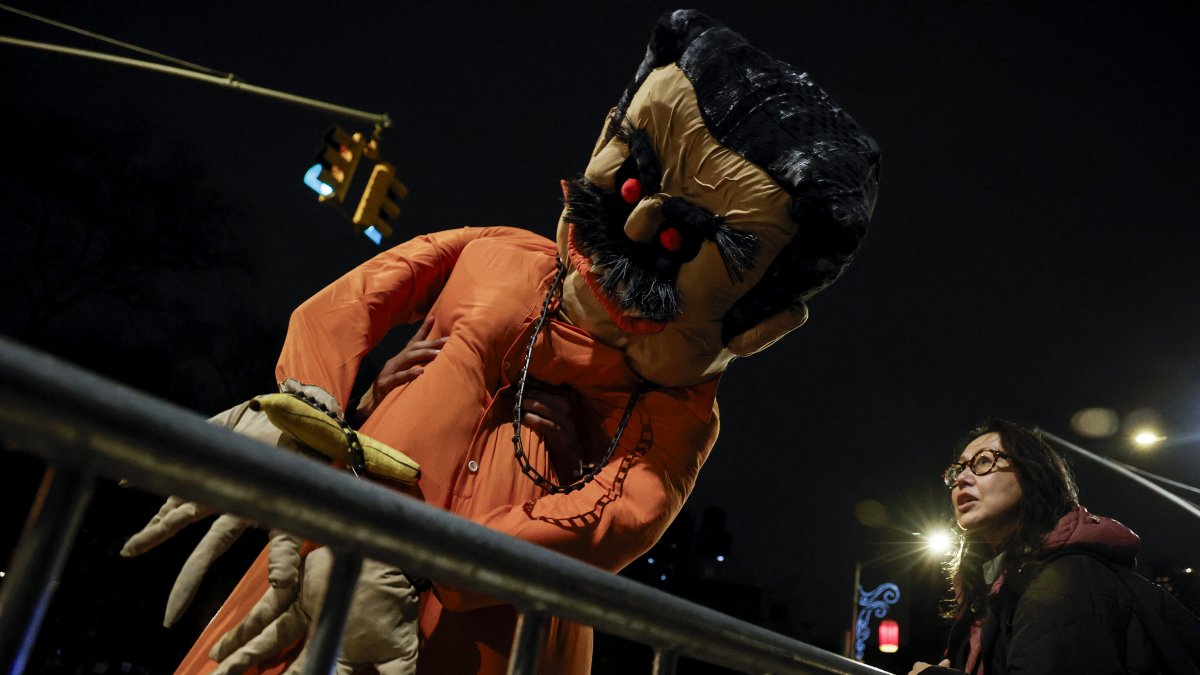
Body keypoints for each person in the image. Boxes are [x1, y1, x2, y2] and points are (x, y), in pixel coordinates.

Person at [125, 10, 881, 674]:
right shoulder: (501, 252)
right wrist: (311, 410)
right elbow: (352, 303)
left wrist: (424, 556)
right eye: (630, 185)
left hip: (487, 622)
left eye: (685, 233)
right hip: (333, 557)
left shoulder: (680, 405)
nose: (641, 222)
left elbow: (620, 514)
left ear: (761, 323)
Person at [910, 418, 1200, 675]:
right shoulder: (994, 588)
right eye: (957, 470)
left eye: (984, 461)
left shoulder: (1066, 578)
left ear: (1032, 473)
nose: (962, 478)